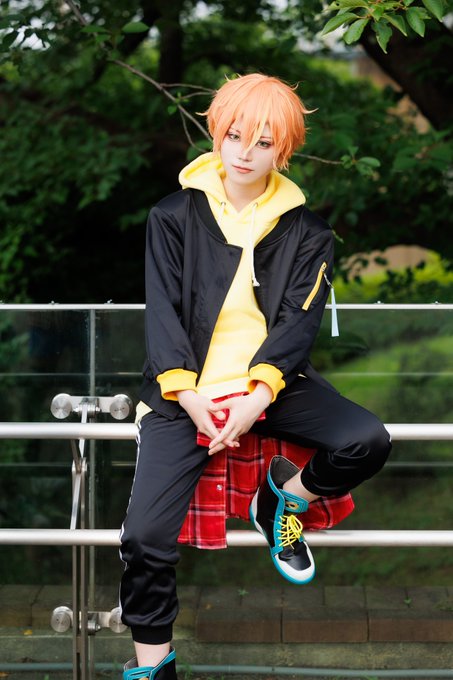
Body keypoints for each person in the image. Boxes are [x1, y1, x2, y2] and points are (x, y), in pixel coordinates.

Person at [119, 73, 392, 680]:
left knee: (367, 439)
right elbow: (162, 314)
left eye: (263, 142)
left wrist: (258, 396)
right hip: (183, 392)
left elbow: (298, 323)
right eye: (234, 135)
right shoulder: (172, 215)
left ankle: (284, 500)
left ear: (283, 150)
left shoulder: (308, 231)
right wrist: (190, 398)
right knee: (142, 537)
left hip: (274, 385)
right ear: (216, 133)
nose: (244, 152)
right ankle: (153, 669)